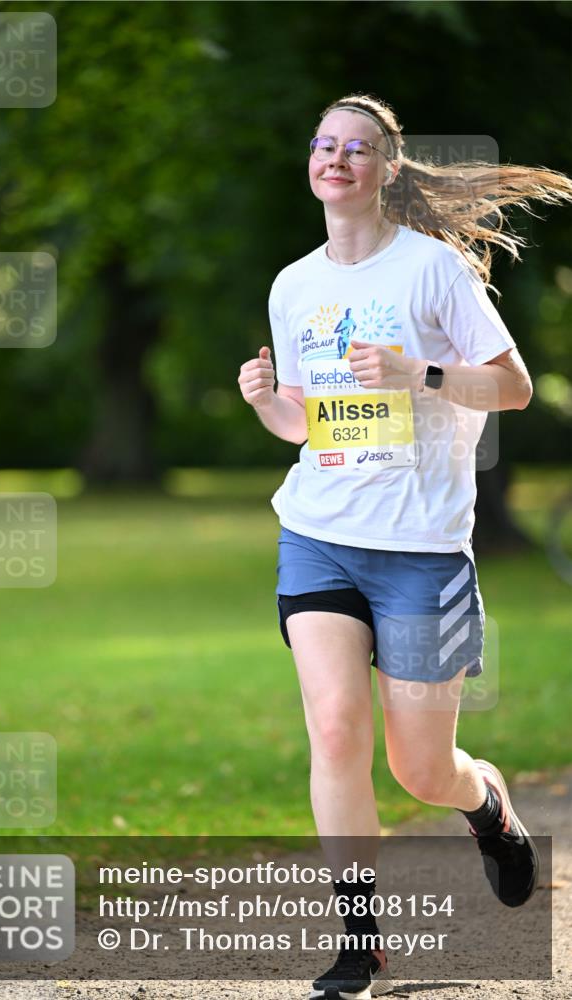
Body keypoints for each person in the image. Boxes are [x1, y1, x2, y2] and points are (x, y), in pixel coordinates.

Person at [237, 92, 572, 1000]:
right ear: (310, 164)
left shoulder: (434, 273)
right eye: (322, 144)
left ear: (388, 168)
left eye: (357, 148)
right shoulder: (292, 284)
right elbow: (306, 423)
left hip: (422, 548)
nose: (335, 158)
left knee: (419, 768)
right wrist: (266, 399)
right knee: (336, 728)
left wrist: (421, 371)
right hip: (319, 532)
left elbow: (512, 390)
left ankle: (485, 804)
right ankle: (360, 941)